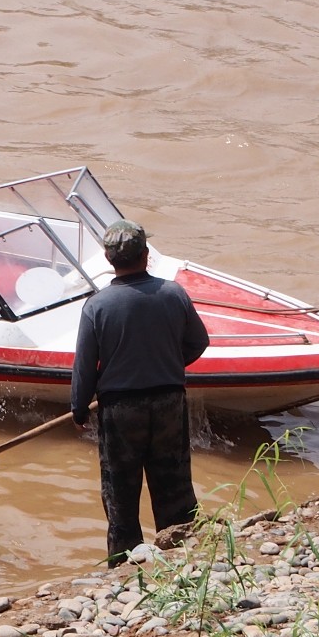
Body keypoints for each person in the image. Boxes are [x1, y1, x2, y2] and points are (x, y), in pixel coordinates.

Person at [71, 220, 211, 564]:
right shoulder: (173, 293)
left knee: (120, 490)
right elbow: (199, 341)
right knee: (174, 484)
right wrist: (168, 363)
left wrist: (78, 407)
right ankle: (182, 554)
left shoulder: (97, 306)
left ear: (108, 259)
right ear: (146, 255)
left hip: (120, 408)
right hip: (168, 401)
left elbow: (85, 366)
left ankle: (122, 563)